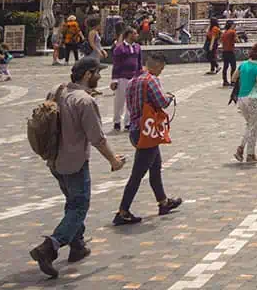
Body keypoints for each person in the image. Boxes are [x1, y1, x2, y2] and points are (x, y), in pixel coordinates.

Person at [29, 56, 127, 278]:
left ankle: (77, 245)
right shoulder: (84, 101)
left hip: (54, 160)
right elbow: (97, 139)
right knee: (79, 206)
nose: (100, 76)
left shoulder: (57, 90)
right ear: (87, 75)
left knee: (72, 202)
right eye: (97, 72)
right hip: (74, 163)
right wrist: (113, 160)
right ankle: (50, 247)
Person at [113, 52, 182, 224]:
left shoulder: (132, 81)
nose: (161, 72)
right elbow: (161, 102)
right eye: (162, 68)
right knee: (137, 174)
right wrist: (170, 97)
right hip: (148, 131)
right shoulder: (151, 80)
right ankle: (123, 211)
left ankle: (163, 202)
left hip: (136, 130)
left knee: (155, 166)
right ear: (157, 65)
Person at [110, 28, 142, 131]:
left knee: (132, 101)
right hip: (122, 78)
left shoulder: (137, 47)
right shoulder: (119, 49)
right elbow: (116, 65)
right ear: (129, 35)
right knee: (119, 101)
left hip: (134, 78)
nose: (137, 35)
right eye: (135, 33)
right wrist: (114, 80)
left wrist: (140, 75)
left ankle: (128, 122)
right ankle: (117, 121)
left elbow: (139, 62)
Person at [220, 22, 238, 87]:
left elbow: (221, 41)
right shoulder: (233, 32)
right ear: (231, 25)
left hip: (224, 51)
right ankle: (233, 81)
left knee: (225, 67)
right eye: (233, 25)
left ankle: (225, 81)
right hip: (230, 51)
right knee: (233, 67)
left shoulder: (224, 33)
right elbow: (237, 40)